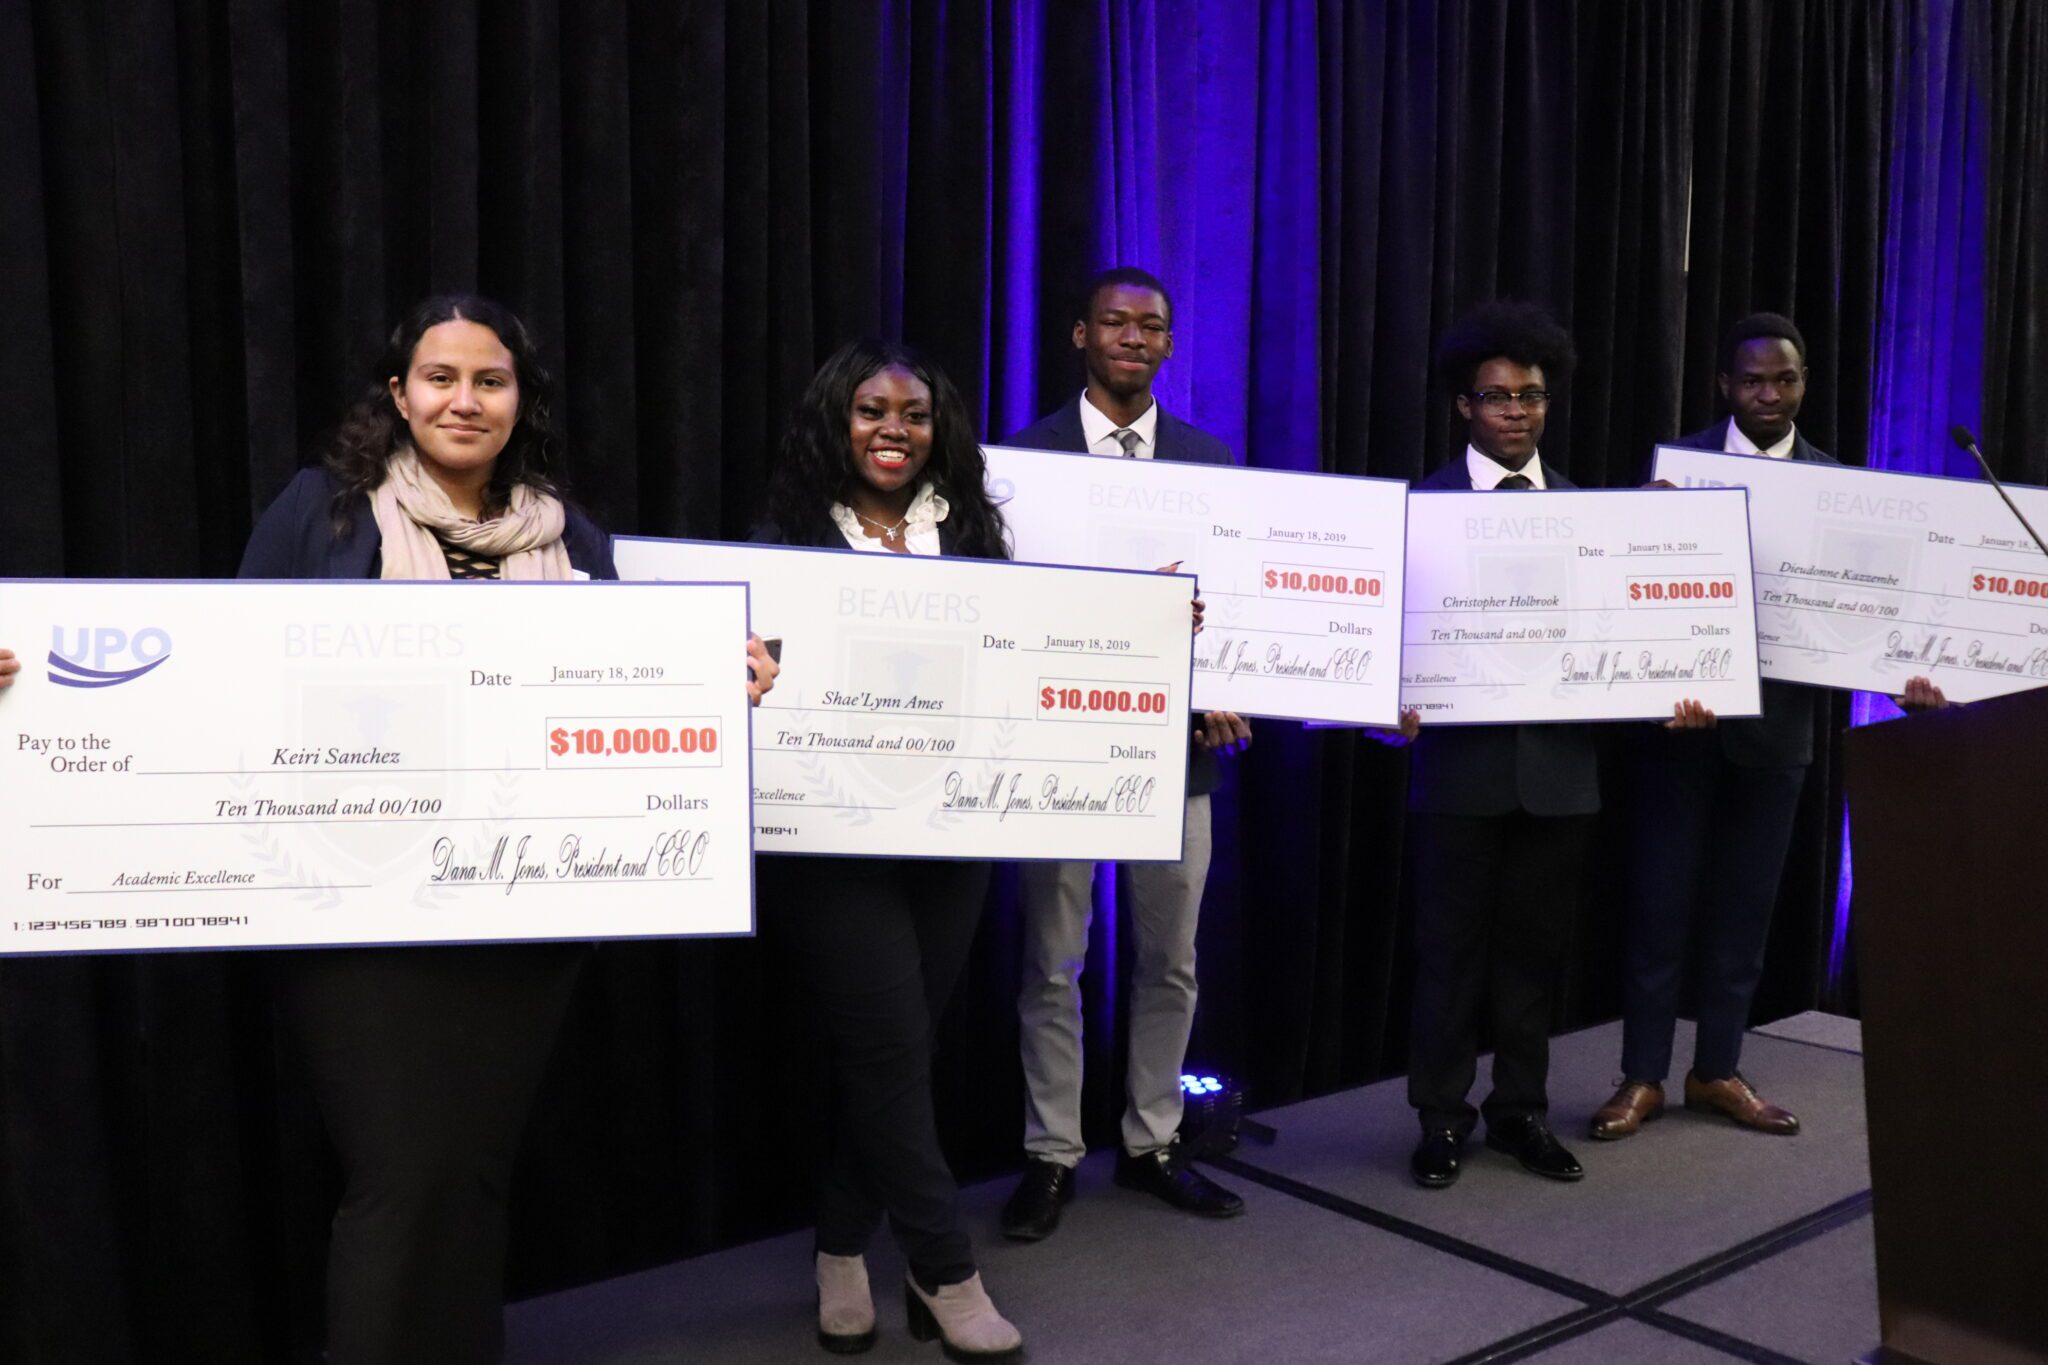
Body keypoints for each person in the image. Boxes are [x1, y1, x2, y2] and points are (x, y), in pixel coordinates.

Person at [238, 294, 777, 1365]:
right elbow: (228, 673)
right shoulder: (322, 512)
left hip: (525, 918)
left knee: (476, 1172)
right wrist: (45, 688)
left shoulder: (565, 533)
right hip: (359, 914)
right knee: (399, 1179)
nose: (464, 400)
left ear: (519, 400)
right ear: (398, 395)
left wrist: (721, 683)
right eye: (439, 377)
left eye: (490, 379)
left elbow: (625, 693)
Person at [1592, 313, 1927, 1141]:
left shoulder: (1839, 487)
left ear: (1804, 382)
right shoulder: (1674, 471)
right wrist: (1636, 530)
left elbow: (1862, 618)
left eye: (1784, 379)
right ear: (1725, 386)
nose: (1768, 394)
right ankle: (1642, 1076)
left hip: (1777, 737)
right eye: (1752, 380)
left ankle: (1717, 1070)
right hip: (1679, 732)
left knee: (1745, 912)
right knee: (1659, 906)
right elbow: (1628, 597)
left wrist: (1908, 671)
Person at [752, 338, 1022, 1361]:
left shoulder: (975, 540)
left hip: (953, 831)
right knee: (885, 1046)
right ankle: (943, 1267)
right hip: (832, 843)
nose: (893, 430)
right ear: (837, 421)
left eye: (912, 414)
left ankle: (835, 1247)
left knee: (898, 1051)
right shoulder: (782, 541)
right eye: (871, 411)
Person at [1404, 300, 1713, 1191]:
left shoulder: (1594, 515)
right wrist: (1388, 702)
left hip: (1560, 776)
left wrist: (1674, 690)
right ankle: (1441, 1119)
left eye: (1531, 396)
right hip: (1457, 775)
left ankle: (1521, 1113)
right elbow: (1389, 641)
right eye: (1496, 396)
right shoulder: (1418, 509)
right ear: (1463, 404)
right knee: (1448, 960)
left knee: (1535, 961)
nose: (1516, 411)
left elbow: (1621, 644)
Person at [997, 267, 1249, 1243]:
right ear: (1078, 334)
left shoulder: (1207, 461)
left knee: (1169, 963)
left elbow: (1237, 609)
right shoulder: (1020, 459)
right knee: (1051, 962)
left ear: (1169, 344)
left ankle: (1151, 1144)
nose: (1132, 337)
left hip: (1178, 755)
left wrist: (1228, 683)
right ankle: (1049, 1155)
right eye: (1114, 321)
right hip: (1061, 751)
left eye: (1151, 324)